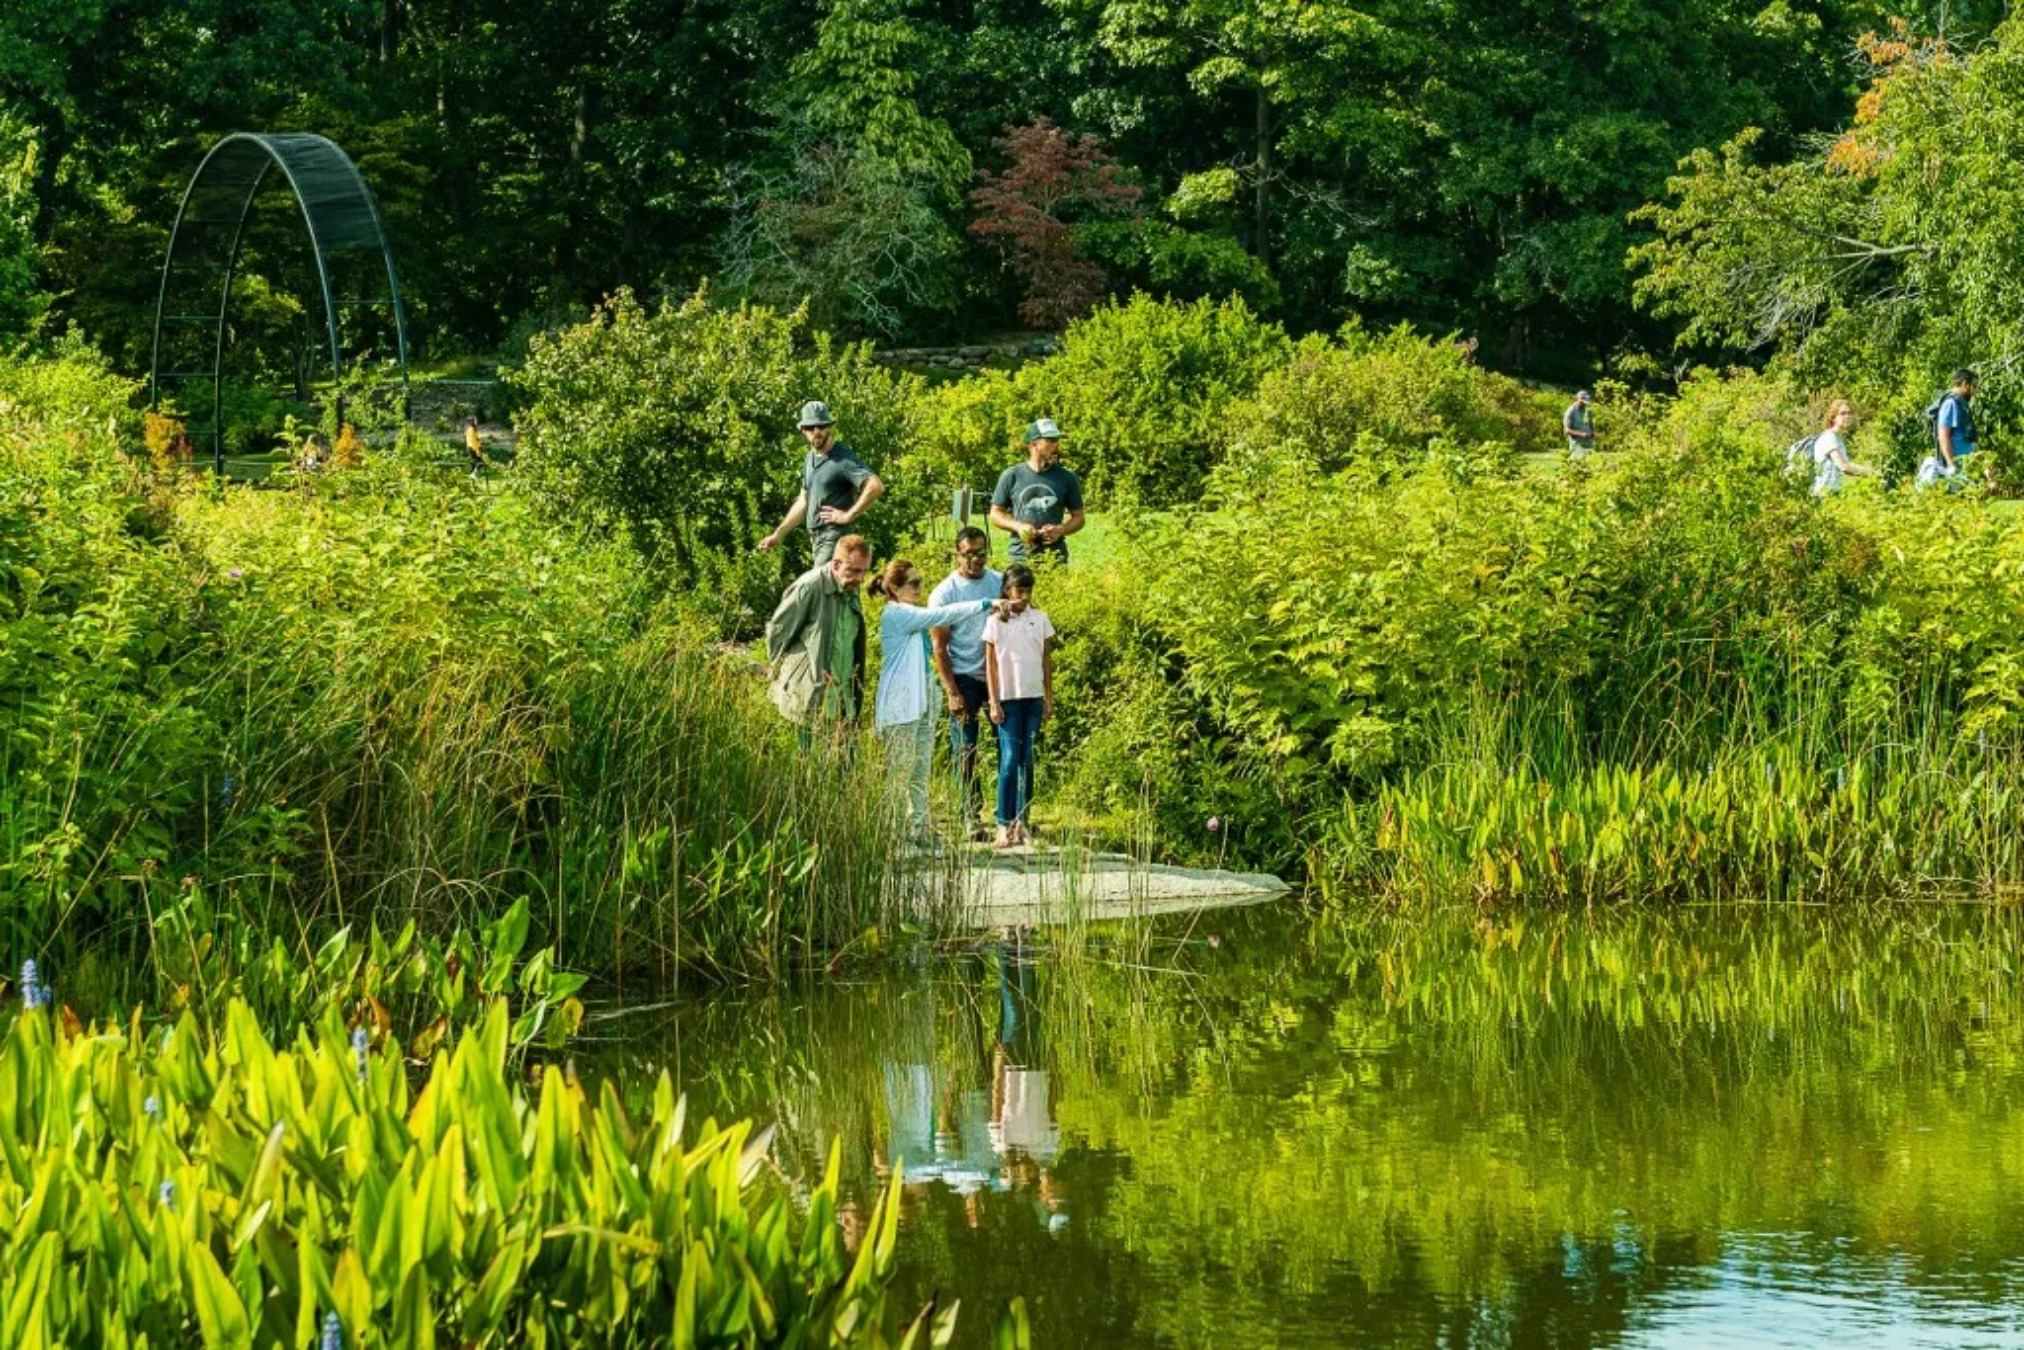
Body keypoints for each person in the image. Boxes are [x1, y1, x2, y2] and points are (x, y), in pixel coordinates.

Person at [869, 558, 1008, 843]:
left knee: (920, 768)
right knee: (900, 771)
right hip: (900, 706)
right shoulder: (896, 614)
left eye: (921, 581)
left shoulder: (908, 612)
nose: (920, 587)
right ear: (894, 588)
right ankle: (892, 834)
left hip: (920, 703)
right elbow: (945, 614)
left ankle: (917, 829)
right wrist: (985, 604)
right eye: (914, 583)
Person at [929, 527, 1004, 840]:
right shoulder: (945, 593)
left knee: (1008, 745)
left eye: (980, 553)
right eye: (968, 554)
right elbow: (939, 647)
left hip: (998, 675)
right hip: (963, 676)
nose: (975, 559)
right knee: (965, 748)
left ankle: (1010, 814)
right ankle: (970, 814)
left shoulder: (998, 582)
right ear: (957, 554)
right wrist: (952, 692)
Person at [765, 534, 871, 742]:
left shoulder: (850, 585)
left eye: (864, 571)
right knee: (808, 766)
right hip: (810, 695)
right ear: (836, 563)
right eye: (855, 571)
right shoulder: (810, 586)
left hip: (844, 695)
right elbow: (778, 631)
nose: (860, 578)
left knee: (845, 764)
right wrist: (781, 674)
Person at [982, 563, 1055, 848]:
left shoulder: (1040, 618)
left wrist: (1048, 697)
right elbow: (990, 665)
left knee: (1027, 759)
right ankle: (1003, 822)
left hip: (1033, 698)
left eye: (1027, 591)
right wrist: (994, 701)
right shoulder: (996, 622)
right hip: (1008, 699)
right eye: (1018, 591)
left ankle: (1022, 821)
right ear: (1006, 591)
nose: (1023, 597)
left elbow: (1046, 659)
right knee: (1010, 759)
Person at [759, 401, 884, 565]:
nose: (817, 431)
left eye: (821, 426)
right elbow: (803, 502)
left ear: (829, 427)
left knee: (815, 588)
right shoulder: (810, 458)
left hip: (834, 538)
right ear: (803, 431)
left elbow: (875, 486)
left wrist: (847, 516)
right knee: (832, 589)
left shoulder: (842, 458)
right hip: (817, 541)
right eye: (811, 427)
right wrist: (777, 535)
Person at [990, 419, 1085, 565]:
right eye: (1050, 440)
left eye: (1056, 440)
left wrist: (1061, 529)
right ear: (1034, 444)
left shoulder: (1067, 477)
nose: (1056, 445)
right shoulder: (1012, 475)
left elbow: (1079, 517)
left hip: (1055, 558)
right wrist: (1019, 527)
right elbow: (995, 513)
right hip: (1021, 557)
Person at [1919, 370, 1980, 490]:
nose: (1975, 391)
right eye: (1974, 386)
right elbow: (1943, 437)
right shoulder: (1951, 403)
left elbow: (1968, 439)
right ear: (1964, 384)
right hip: (1955, 469)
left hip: (1966, 467)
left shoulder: (1961, 404)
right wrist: (1952, 466)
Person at [1810, 401, 1872, 497]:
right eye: (1843, 413)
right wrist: (1869, 472)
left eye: (1849, 413)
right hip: (1823, 495)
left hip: (1833, 493)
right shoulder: (1829, 437)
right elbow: (1844, 467)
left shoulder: (1838, 439)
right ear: (1833, 417)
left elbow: (1847, 465)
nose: (1847, 416)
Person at [1564, 390, 1596, 457]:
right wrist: (1581, 434)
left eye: (1586, 403)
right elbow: (1567, 430)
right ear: (1577, 399)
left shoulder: (1588, 411)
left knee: (1590, 463)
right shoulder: (1571, 411)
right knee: (1578, 463)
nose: (1585, 404)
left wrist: (1593, 433)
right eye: (1583, 402)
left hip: (1588, 443)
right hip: (1576, 443)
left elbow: (1591, 424)